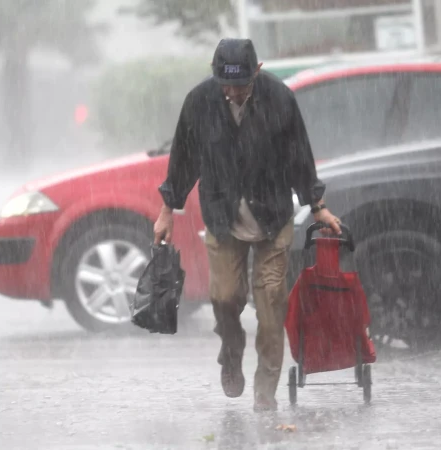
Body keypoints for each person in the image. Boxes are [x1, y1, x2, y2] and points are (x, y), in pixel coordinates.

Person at [154, 38, 342, 412]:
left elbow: (300, 157)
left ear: (257, 72)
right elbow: (183, 160)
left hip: (272, 216)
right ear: (215, 74)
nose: (234, 92)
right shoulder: (199, 103)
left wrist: (316, 205)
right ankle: (231, 350)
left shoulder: (280, 100)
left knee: (271, 303)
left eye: (241, 85)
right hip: (223, 218)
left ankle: (265, 392)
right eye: (226, 84)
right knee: (225, 298)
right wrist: (167, 210)